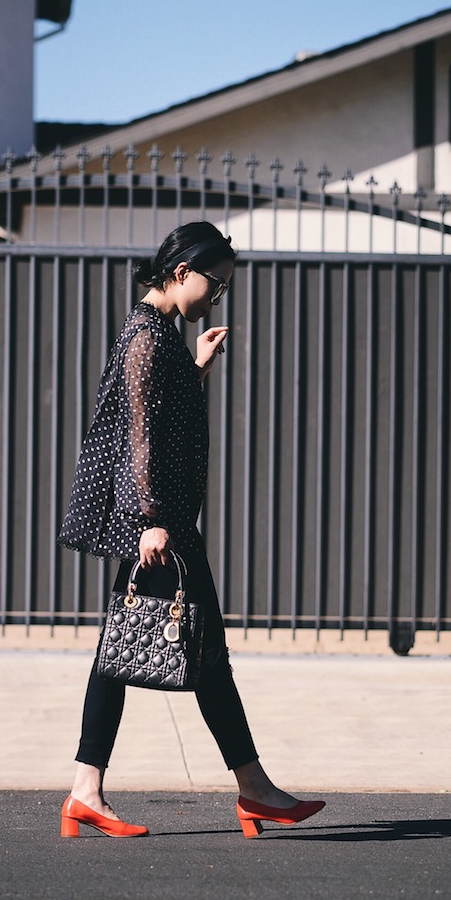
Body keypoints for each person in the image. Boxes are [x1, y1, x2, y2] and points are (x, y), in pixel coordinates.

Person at [57, 221, 325, 839]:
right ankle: (250, 790)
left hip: (169, 521)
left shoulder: (161, 337)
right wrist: (151, 521)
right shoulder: (147, 339)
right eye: (216, 284)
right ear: (182, 274)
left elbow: (165, 414)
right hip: (162, 523)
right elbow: (142, 435)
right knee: (194, 653)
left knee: (139, 650)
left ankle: (88, 791)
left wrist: (197, 368)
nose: (216, 297)